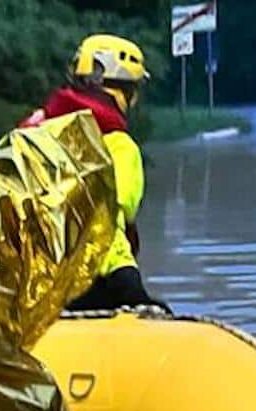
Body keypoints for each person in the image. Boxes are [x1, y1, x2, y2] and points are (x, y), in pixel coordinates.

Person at [21, 34, 169, 312]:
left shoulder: (31, 132)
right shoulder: (117, 146)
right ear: (125, 94)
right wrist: (131, 288)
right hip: (86, 289)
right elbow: (105, 224)